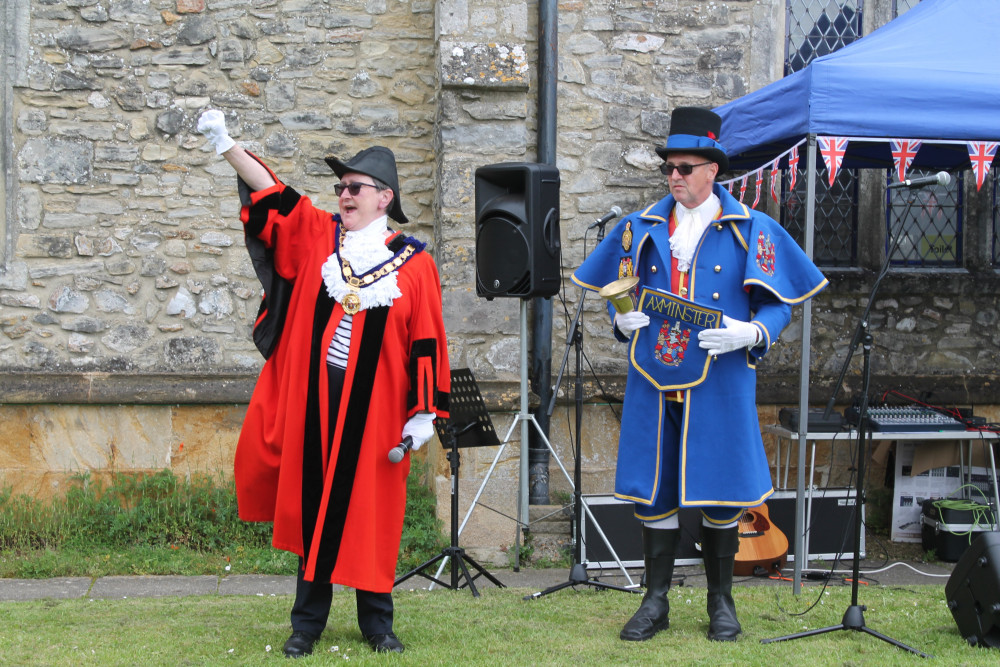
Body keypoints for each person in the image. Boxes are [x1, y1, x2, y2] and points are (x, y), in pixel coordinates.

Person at [197, 109, 451, 657]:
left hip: (378, 410)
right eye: (340, 186)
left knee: (372, 516)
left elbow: (427, 338)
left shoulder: (414, 264)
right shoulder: (320, 238)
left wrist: (424, 411)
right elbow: (277, 198)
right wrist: (228, 147)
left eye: (355, 187)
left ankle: (377, 625)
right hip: (316, 405)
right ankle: (305, 626)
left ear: (384, 197)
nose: (344, 194)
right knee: (315, 509)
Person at [572, 107, 827, 642]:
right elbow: (616, 294)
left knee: (722, 490)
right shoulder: (636, 228)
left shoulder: (751, 229)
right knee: (655, 488)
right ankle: (655, 600)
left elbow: (780, 304)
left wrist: (753, 334)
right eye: (670, 167)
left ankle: (721, 603)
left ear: (713, 170)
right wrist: (622, 318)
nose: (675, 176)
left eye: (686, 167)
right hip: (654, 372)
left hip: (720, 375)